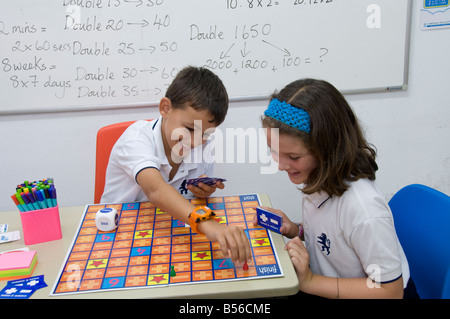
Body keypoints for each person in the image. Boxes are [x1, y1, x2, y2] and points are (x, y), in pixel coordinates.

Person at [256, 78, 411, 298]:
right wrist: (296, 230)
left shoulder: (364, 209)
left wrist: (309, 281)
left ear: (327, 149)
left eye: (293, 156)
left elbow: (390, 291)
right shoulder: (319, 178)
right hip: (328, 283)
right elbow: (332, 236)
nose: (280, 165)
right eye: (273, 151)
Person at [101, 66, 251, 264]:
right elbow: (156, 190)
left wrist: (202, 192)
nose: (195, 142)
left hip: (168, 230)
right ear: (165, 108)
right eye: (189, 129)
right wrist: (206, 222)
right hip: (116, 231)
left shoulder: (202, 147)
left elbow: (191, 196)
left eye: (205, 134)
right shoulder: (135, 139)